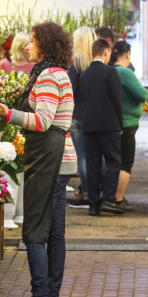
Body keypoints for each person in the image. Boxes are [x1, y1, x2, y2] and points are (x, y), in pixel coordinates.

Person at [0, 22, 75, 297]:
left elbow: (44, 121)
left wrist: (8, 114)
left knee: (35, 230)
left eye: (32, 41)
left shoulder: (48, 76)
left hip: (49, 157)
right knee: (54, 232)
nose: (26, 46)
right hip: (60, 157)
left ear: (45, 45)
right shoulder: (57, 72)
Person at [76, 38, 125, 216]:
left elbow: (81, 99)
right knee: (113, 161)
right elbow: (117, 99)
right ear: (105, 52)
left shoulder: (85, 74)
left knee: (93, 164)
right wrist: (120, 123)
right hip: (109, 124)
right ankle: (108, 198)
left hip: (89, 125)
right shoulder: (110, 72)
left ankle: (93, 204)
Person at [110, 40, 148, 211]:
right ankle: (118, 199)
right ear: (127, 54)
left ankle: (113, 196)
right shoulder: (125, 72)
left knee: (115, 161)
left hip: (115, 123)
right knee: (126, 162)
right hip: (127, 123)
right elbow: (142, 94)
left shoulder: (110, 70)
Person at [67, 26, 96, 206]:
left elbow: (71, 92)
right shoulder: (98, 63)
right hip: (95, 116)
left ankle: (86, 193)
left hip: (77, 115)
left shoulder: (75, 65)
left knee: (83, 157)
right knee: (95, 156)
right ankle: (91, 190)